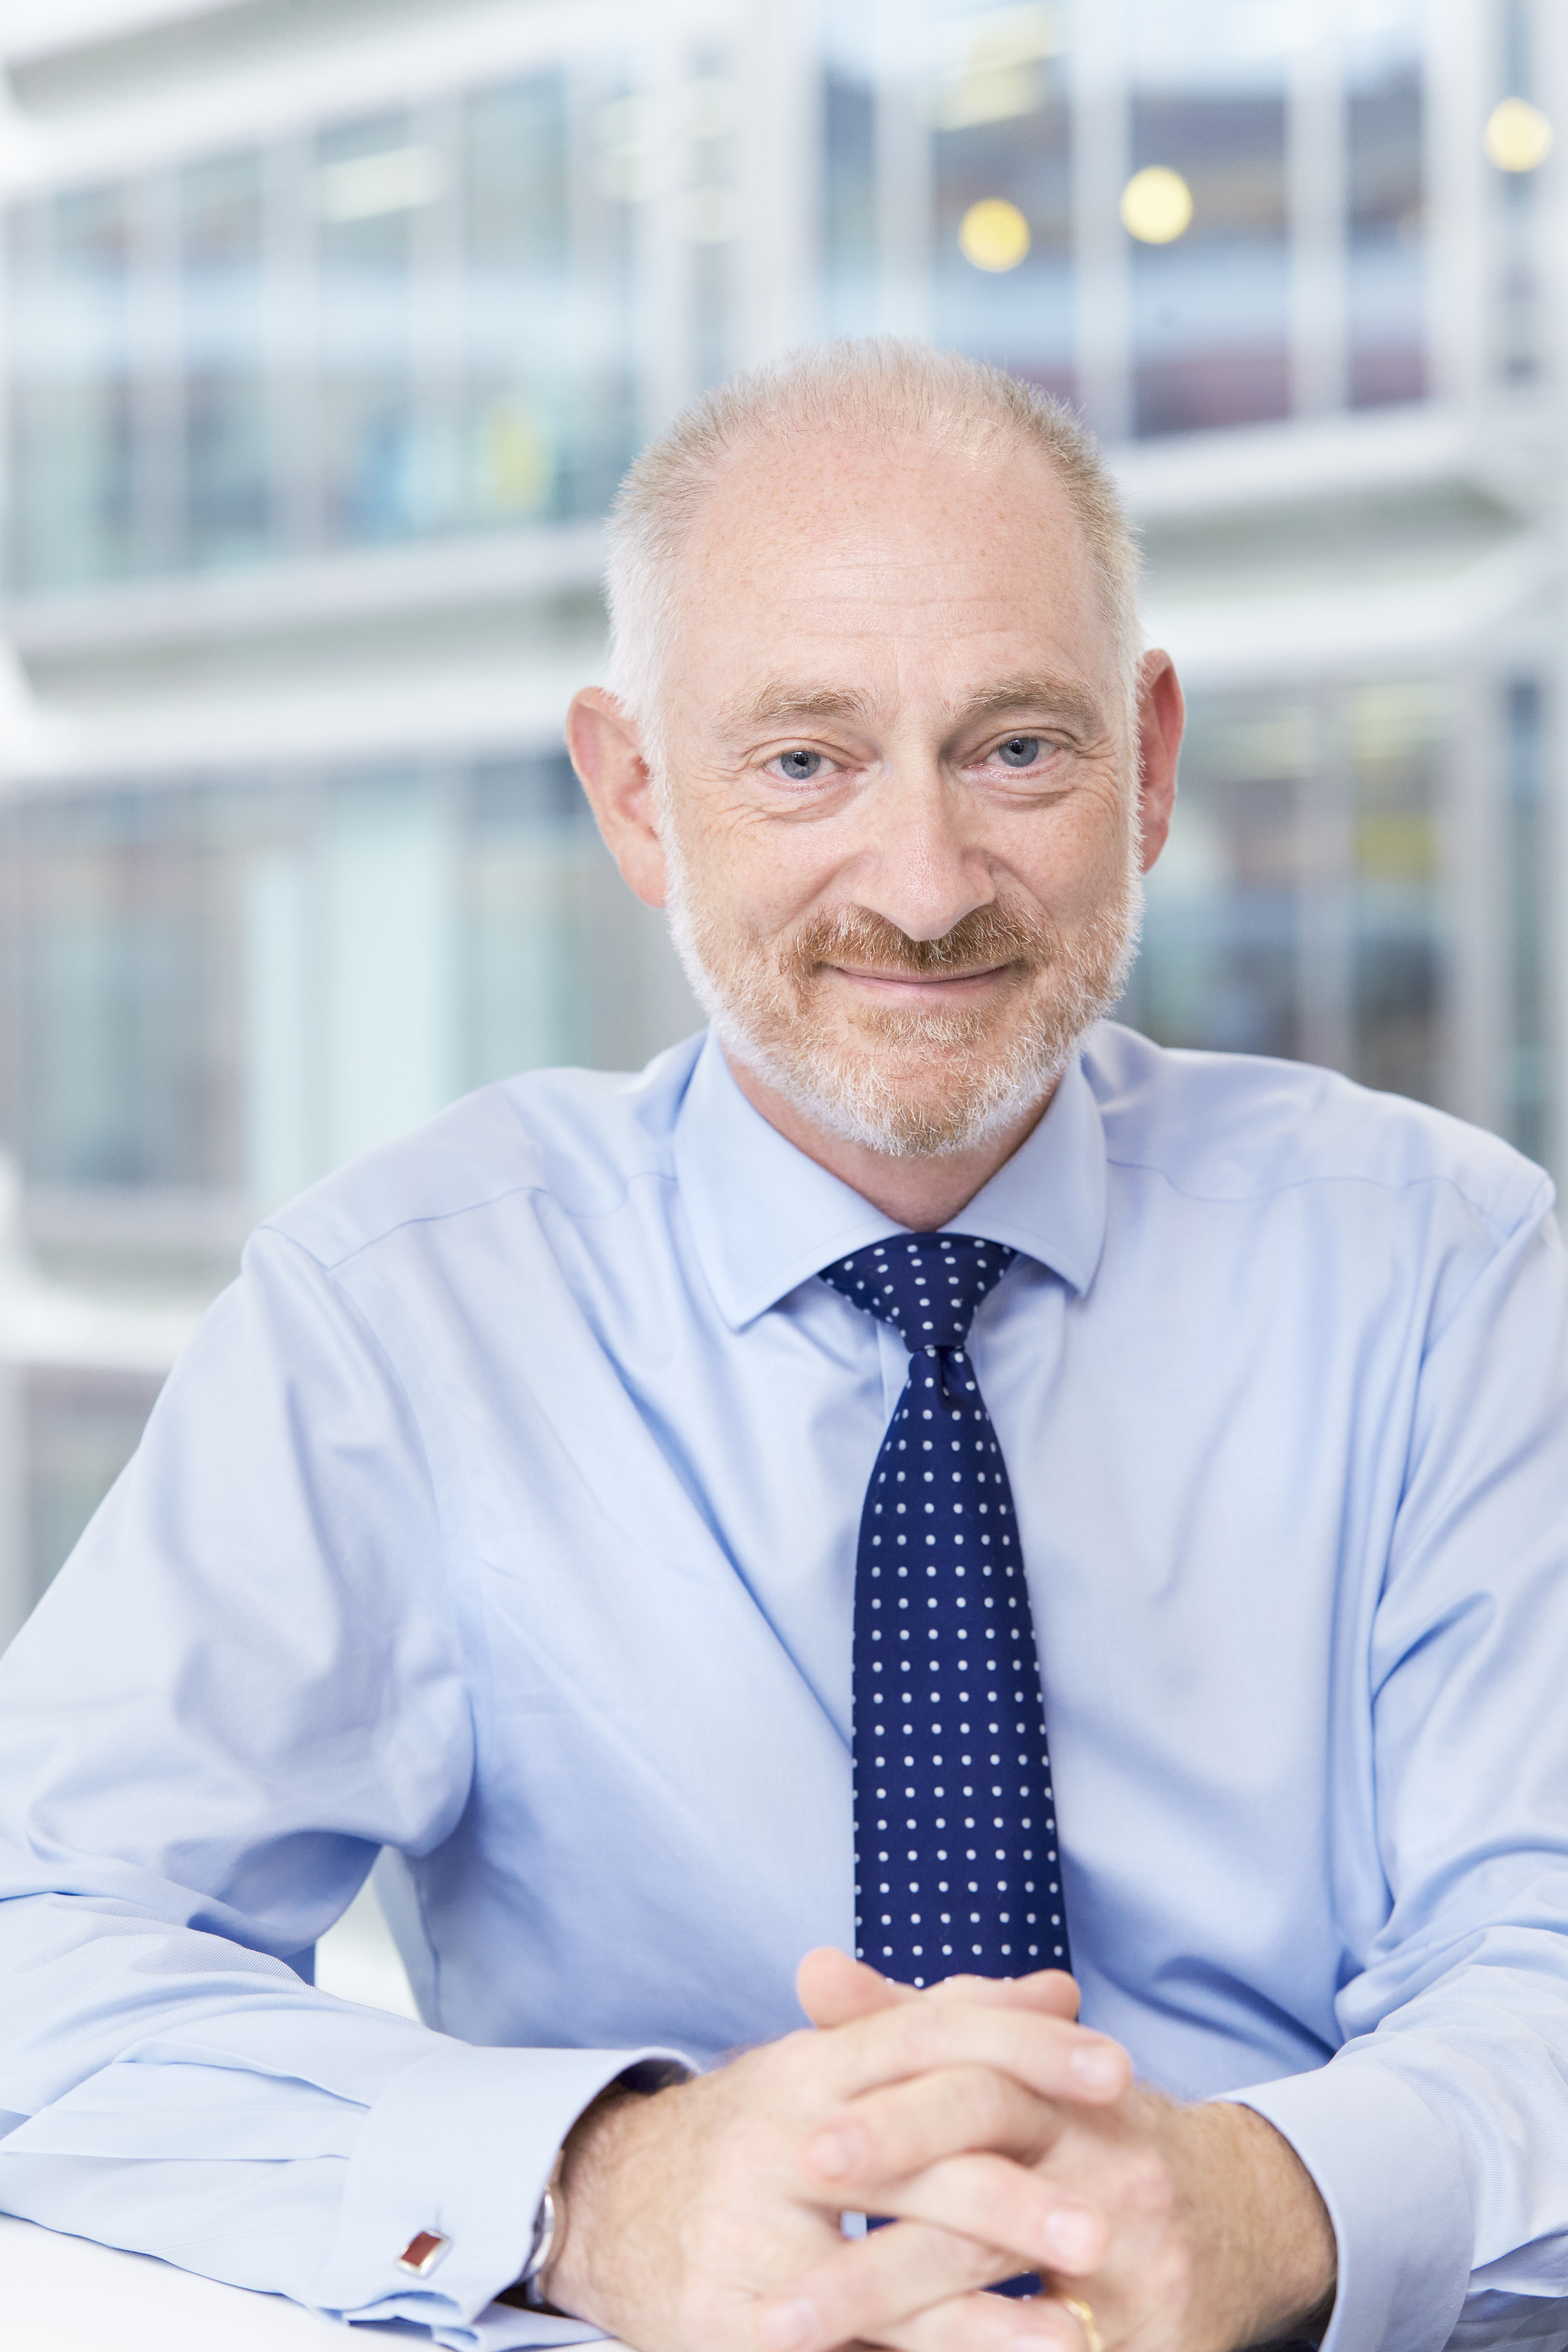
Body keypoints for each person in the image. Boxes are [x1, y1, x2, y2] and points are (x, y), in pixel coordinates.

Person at [1, 340, 1567, 2352]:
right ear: (637, 793)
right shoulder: (403, 1316)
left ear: (1154, 763)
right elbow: (37, 1943)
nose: (922, 890)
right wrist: (600, 2185)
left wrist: (1263, 2208)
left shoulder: (1445, 1270)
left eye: (1017, 750)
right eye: (805, 763)